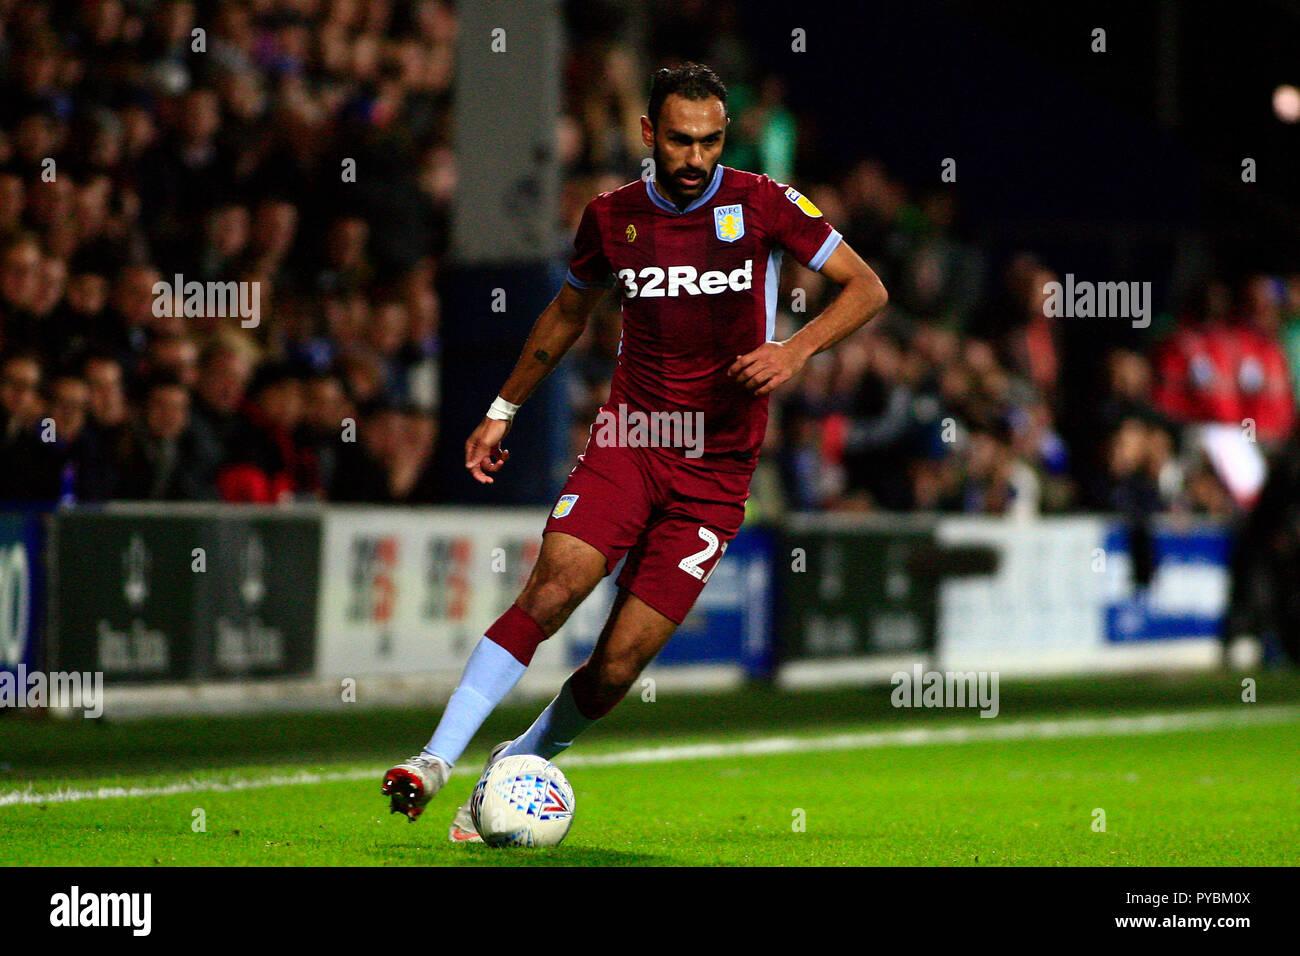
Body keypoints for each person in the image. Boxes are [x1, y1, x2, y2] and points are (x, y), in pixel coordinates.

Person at [382, 63, 889, 838]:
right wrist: (501, 407)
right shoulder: (611, 217)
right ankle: (433, 760)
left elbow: (867, 288)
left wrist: (794, 351)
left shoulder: (763, 203)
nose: (695, 158)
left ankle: (515, 762)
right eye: (680, 141)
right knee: (550, 595)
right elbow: (564, 316)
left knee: (616, 668)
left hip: (717, 472)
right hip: (632, 440)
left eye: (710, 142)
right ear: (649, 134)